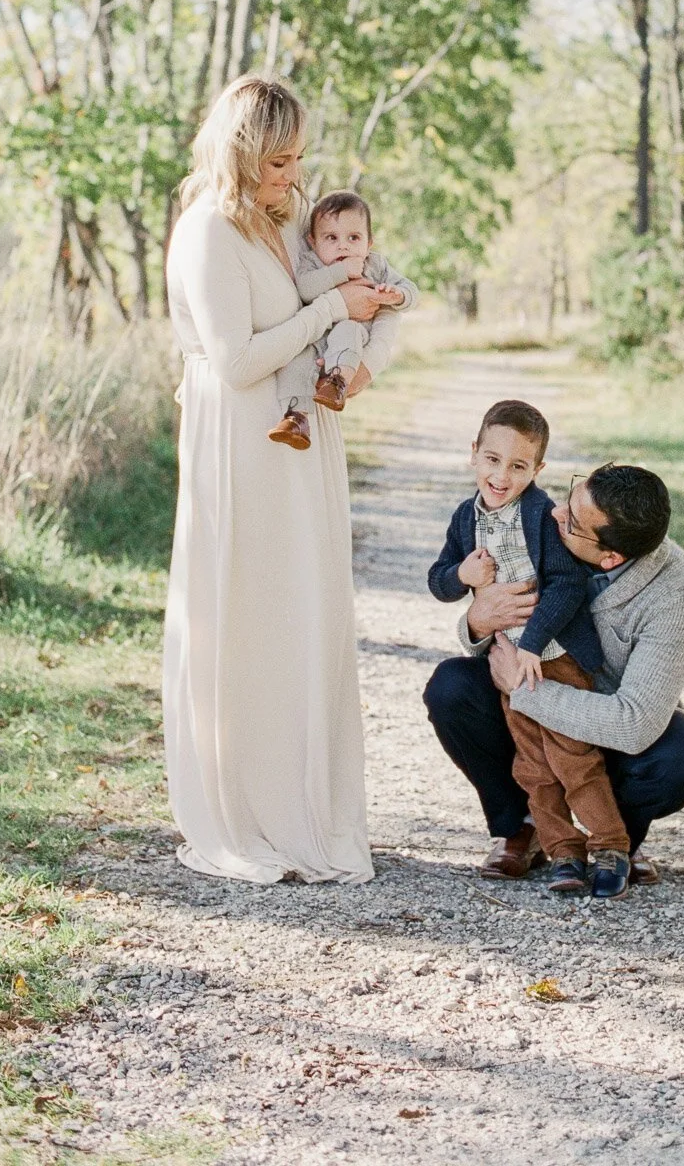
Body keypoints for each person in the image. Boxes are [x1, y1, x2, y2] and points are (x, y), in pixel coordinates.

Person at [163, 75, 383, 884]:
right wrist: (331, 315)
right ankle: (242, 810)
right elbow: (238, 358)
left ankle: (304, 805)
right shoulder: (208, 233)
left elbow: (325, 300)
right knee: (247, 615)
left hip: (298, 439)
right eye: (279, 160)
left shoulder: (277, 222)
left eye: (297, 160)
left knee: (300, 614)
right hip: (240, 437)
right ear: (244, 153)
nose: (294, 175)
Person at [423, 462, 684, 886]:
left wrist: (524, 691)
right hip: (528, 704)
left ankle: (617, 840)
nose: (556, 513)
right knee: (452, 688)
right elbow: (497, 639)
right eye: (570, 499)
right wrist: (477, 624)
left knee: (678, 762)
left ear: (610, 555)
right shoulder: (541, 529)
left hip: (604, 719)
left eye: (572, 521)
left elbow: (635, 724)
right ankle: (522, 826)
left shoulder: (676, 590)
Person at [427, 400, 633, 900]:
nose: (502, 475)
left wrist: (533, 647)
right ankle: (563, 852)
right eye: (492, 460)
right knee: (533, 767)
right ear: (474, 453)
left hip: (554, 658)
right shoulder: (465, 516)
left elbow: (566, 586)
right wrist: (462, 576)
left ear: (537, 470)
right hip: (509, 665)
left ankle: (611, 846)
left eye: (518, 466)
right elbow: (438, 580)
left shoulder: (540, 515)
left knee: (573, 759)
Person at [268, 189, 419, 447]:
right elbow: (305, 289)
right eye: (331, 238)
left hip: (352, 337)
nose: (343, 245)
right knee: (295, 365)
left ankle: (336, 383)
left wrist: (397, 295)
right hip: (314, 339)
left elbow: (412, 289)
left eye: (354, 238)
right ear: (313, 242)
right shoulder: (312, 263)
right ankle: (295, 418)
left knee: (347, 330)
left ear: (368, 243)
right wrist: (340, 271)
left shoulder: (375, 265)